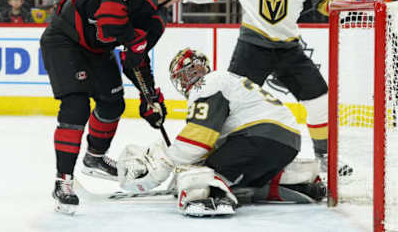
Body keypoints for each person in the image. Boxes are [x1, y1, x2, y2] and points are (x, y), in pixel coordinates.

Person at [184, 0, 356, 172]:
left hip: (288, 48)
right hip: (252, 47)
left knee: (319, 99)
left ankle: (324, 156)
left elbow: (326, 5)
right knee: (230, 103)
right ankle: (211, 153)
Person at [39, 0, 199, 214]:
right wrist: (131, 38)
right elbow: (108, 25)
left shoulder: (156, 21)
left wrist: (150, 97)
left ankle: (95, 158)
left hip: (96, 49)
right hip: (65, 39)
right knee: (76, 105)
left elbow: (135, 60)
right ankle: (63, 182)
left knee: (113, 102)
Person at [117, 48, 326, 217]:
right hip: (288, 142)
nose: (184, 81)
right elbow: (213, 141)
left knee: (201, 174)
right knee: (244, 179)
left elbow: (199, 140)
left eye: (184, 75)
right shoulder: (227, 80)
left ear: (196, 71)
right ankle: (300, 182)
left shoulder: (207, 84)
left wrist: (167, 162)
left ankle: (211, 196)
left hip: (258, 137)